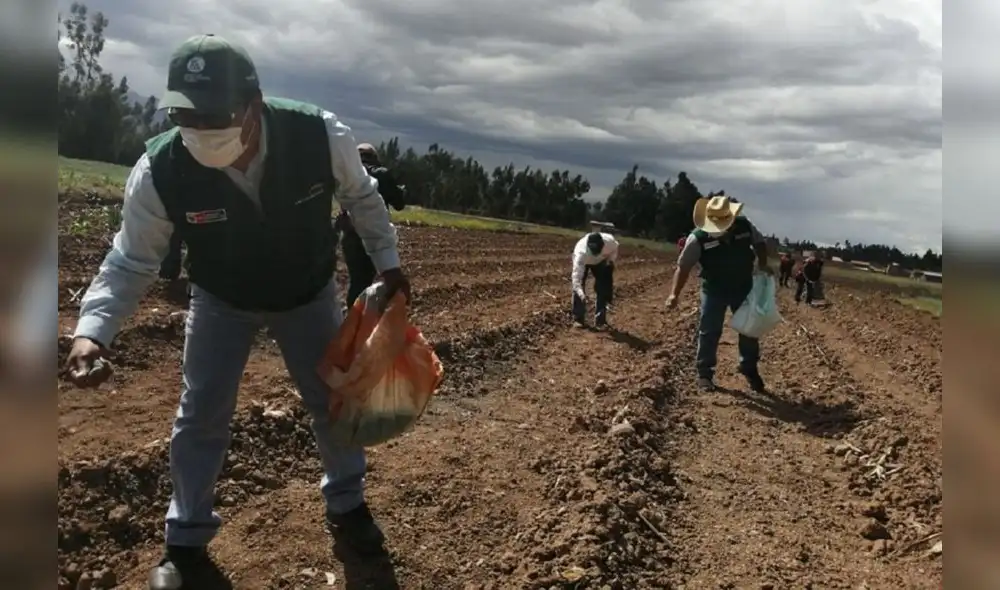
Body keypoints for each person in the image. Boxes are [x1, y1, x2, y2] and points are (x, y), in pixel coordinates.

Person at [60, 34, 411, 590]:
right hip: (222, 298)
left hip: (306, 292)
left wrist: (388, 263)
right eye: (185, 115)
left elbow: (363, 198)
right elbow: (131, 259)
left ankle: (348, 504)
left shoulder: (318, 134)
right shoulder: (160, 169)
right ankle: (185, 541)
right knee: (201, 412)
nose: (200, 129)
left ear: (254, 104)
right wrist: (93, 331)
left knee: (332, 399)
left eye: (215, 115)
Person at [664, 195, 771, 393]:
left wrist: (763, 265)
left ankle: (749, 367)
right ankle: (705, 373)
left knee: (749, 329)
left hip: (743, 286)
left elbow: (760, 244)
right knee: (709, 330)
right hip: (714, 289)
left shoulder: (745, 226)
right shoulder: (697, 238)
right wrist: (674, 294)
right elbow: (683, 267)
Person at [334, 143, 407, 306]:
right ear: (374, 157)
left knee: (357, 280)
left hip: (349, 234)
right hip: (375, 233)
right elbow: (399, 203)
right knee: (366, 282)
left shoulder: (347, 173)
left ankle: (353, 313)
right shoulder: (381, 174)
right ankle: (357, 316)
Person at [571, 230, 618, 328]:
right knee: (579, 287)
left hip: (600, 261)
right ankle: (578, 319)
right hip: (585, 261)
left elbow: (615, 248)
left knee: (603, 286)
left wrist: (610, 261)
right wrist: (581, 294)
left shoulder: (610, 242)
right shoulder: (580, 253)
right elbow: (576, 279)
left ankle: (600, 320)